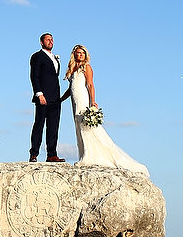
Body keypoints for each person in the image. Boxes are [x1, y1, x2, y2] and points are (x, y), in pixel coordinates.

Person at [65, 44, 149, 176]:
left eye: (82, 53)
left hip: (83, 99)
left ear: (85, 55)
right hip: (74, 101)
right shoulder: (73, 68)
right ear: (74, 54)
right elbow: (71, 88)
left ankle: (88, 155)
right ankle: (83, 153)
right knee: (78, 127)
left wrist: (92, 102)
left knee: (86, 127)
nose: (80, 55)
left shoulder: (86, 67)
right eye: (78, 53)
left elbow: (90, 85)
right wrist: (60, 99)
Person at [29, 33, 69, 163]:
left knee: (53, 127)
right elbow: (34, 76)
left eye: (52, 39)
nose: (50, 41)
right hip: (43, 97)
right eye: (48, 39)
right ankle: (34, 154)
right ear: (41, 42)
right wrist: (39, 94)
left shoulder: (55, 58)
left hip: (55, 98)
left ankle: (52, 154)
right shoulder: (37, 57)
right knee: (39, 125)